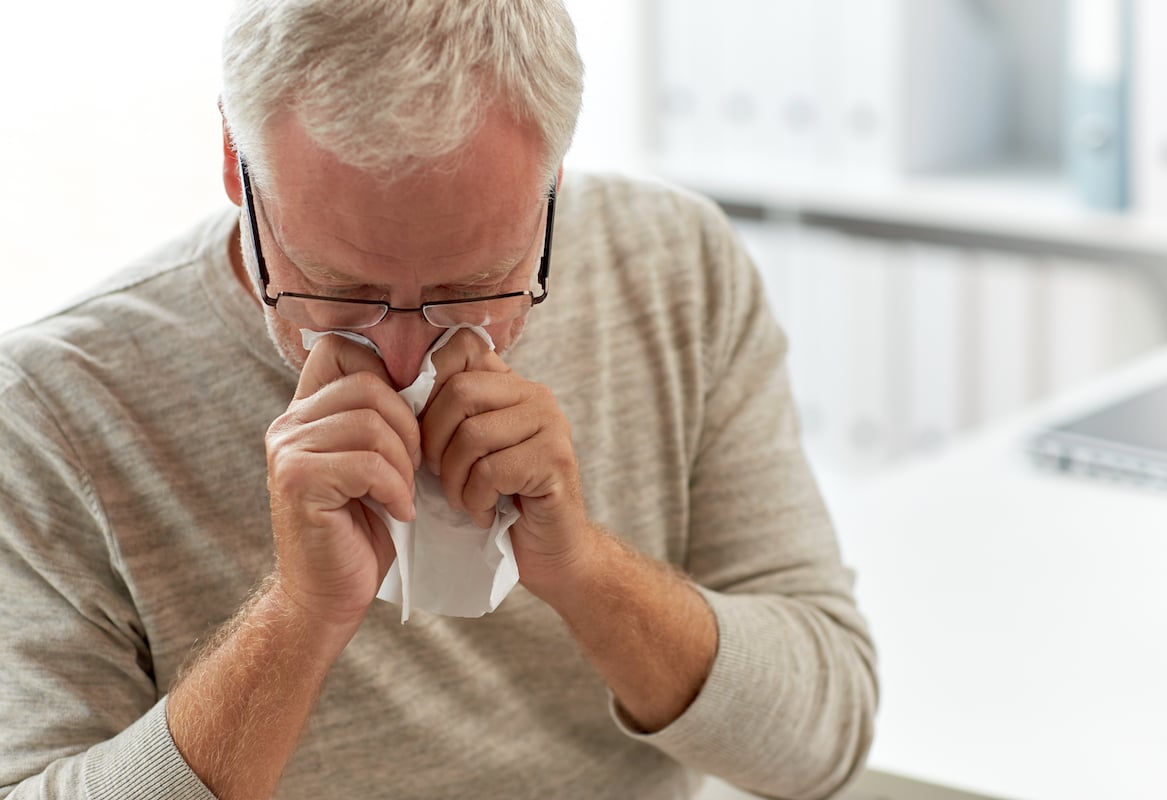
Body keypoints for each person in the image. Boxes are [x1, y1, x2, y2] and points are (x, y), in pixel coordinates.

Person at [0, 1, 877, 798]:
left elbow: (822, 743)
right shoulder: (52, 404)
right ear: (236, 164)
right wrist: (298, 618)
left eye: (476, 286)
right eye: (338, 288)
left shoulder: (674, 266)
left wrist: (582, 567)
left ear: (555, 180)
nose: (404, 353)